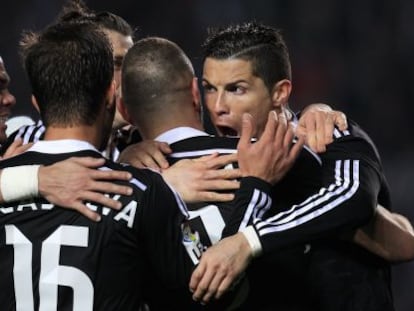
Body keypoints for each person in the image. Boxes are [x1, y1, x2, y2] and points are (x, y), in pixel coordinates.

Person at [0, 19, 299, 310]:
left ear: (37, 103)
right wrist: (255, 187)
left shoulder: (8, 172)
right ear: (110, 96)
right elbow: (213, 291)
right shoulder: (145, 192)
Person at [119, 35, 414, 310]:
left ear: (280, 92)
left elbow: (399, 240)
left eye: (236, 89)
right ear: (197, 93)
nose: (219, 106)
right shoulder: (144, 170)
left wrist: (248, 240)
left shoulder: (324, 137)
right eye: (211, 88)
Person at [2, 0, 137, 161]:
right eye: (115, 64)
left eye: (132, 64)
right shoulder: (21, 148)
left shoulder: (143, 146)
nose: (129, 76)